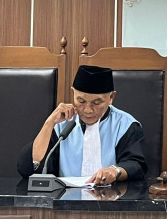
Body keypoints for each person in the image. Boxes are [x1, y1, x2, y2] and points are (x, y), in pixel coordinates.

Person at [17, 65, 148, 185]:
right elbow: (27, 169)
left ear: (111, 97)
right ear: (73, 93)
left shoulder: (125, 125)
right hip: (65, 198)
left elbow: (136, 165)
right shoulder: (61, 123)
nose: (88, 110)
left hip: (111, 198)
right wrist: (49, 123)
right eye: (81, 101)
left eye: (96, 103)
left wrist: (115, 171)